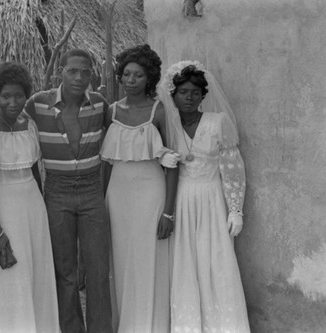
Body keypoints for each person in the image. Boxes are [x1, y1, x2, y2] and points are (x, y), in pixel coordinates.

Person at [158, 60, 250, 332]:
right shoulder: (167, 124)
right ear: (173, 94)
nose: (189, 97)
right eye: (183, 92)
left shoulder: (217, 122)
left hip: (211, 200)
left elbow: (233, 168)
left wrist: (235, 209)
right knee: (184, 264)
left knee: (216, 262)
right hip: (181, 199)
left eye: (195, 93)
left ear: (202, 96)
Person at [24, 49, 112, 333]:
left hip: (91, 191)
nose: (79, 77)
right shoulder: (38, 104)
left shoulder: (100, 105)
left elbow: (120, 138)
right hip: (57, 193)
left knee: (98, 271)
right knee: (65, 271)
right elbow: (6, 122)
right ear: (60, 71)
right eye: (72, 70)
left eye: (85, 72)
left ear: (92, 75)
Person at [0, 62, 59, 332]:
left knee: (35, 269)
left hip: (32, 206)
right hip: (2, 206)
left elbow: (35, 170)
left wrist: (42, 208)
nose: (13, 102)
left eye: (19, 95)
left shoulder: (30, 124)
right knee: (9, 271)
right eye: (5, 96)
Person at [100, 44, 179, 332]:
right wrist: (101, 202)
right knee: (120, 260)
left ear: (150, 78)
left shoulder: (159, 112)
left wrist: (168, 212)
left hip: (151, 192)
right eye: (127, 74)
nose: (131, 80)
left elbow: (172, 163)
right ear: (120, 76)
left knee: (150, 259)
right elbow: (107, 163)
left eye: (139, 75)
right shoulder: (110, 112)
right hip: (117, 194)